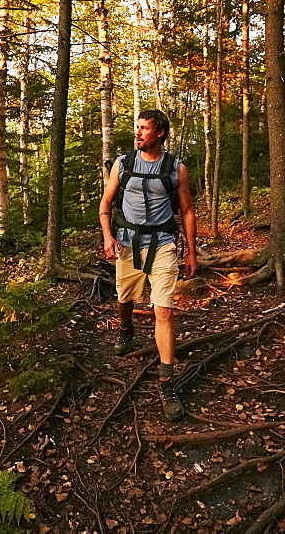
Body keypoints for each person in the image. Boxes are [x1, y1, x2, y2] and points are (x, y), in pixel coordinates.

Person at [99, 110, 198, 421]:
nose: (138, 133)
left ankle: (167, 382)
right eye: (137, 128)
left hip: (164, 244)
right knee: (124, 298)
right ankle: (126, 329)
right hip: (127, 243)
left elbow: (188, 211)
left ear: (160, 133)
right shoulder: (123, 164)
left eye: (144, 129)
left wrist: (192, 252)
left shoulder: (176, 168)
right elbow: (105, 204)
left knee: (163, 309)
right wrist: (107, 237)